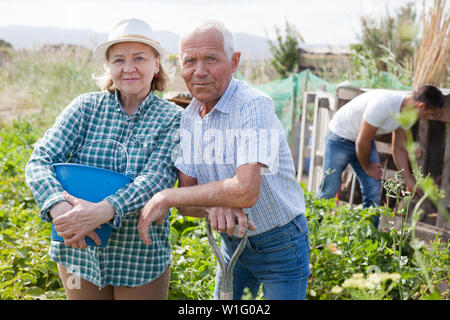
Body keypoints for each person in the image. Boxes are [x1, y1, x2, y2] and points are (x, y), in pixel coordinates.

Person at [137, 20, 310, 300]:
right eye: (190, 60)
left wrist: (167, 197)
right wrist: (213, 205)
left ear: (234, 61)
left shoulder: (254, 106)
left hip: (280, 244)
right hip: (232, 244)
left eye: (211, 59)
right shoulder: (190, 117)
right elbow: (188, 204)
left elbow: (245, 190)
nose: (200, 71)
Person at [25, 18, 182, 300]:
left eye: (139, 58)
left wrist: (103, 211)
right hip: (77, 253)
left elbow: (157, 178)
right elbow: (40, 159)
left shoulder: (172, 118)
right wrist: (58, 208)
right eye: (119, 59)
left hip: (138, 257)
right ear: (109, 67)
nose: (129, 67)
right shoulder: (86, 107)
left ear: (156, 64)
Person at [318, 85, 445, 227]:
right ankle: (313, 232)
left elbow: (399, 149)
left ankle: (368, 237)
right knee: (328, 189)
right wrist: (367, 167)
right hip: (340, 137)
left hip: (364, 141)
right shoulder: (384, 104)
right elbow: (362, 142)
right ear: (421, 106)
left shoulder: (408, 115)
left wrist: (409, 180)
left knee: (372, 191)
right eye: (429, 113)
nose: (428, 117)